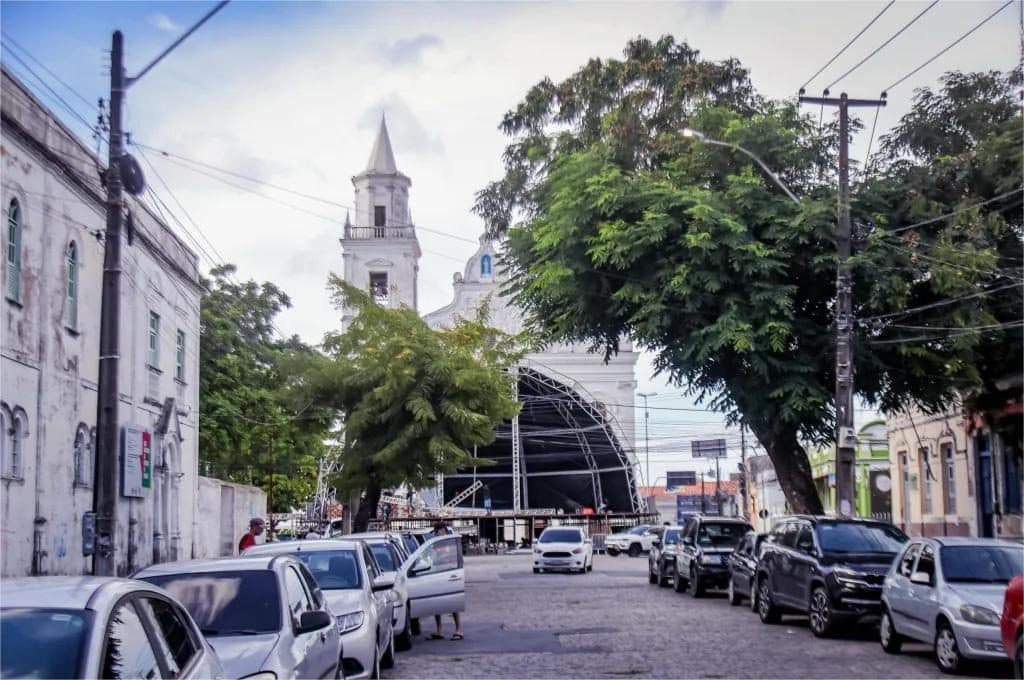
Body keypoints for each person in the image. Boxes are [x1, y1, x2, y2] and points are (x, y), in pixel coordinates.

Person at [424, 521, 463, 641]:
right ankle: (439, 630)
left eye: (440, 531)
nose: (439, 533)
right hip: (437, 573)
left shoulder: (451, 542)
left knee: (453, 603)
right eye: (437, 532)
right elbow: (432, 558)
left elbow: (456, 557)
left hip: (450, 573)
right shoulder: (435, 544)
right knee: (437, 603)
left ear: (445, 531)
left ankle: (458, 629)